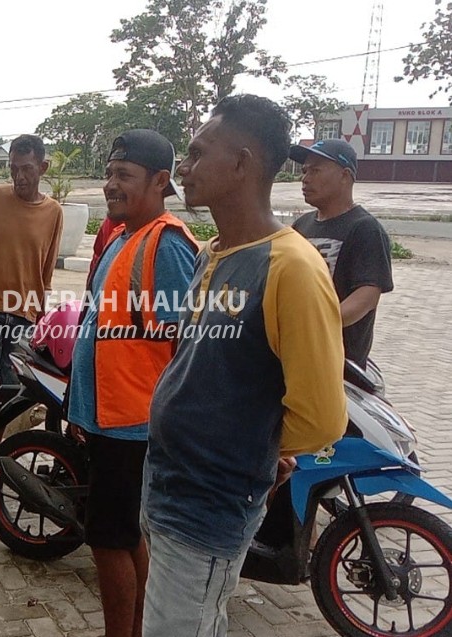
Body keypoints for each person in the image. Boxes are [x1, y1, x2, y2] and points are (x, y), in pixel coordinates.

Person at [140, 95, 347, 637]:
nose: (183, 168)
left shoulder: (291, 266)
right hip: (167, 483)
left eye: (196, 153)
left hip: (210, 502)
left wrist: (259, 448)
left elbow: (323, 417)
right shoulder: (214, 253)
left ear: (242, 162)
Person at [67, 130, 197, 637]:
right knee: (122, 535)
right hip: (110, 419)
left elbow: (189, 345)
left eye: (123, 176)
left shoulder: (167, 246)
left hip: (135, 424)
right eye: (107, 175)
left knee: (107, 539)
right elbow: (104, 332)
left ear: (160, 181)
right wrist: (82, 411)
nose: (109, 186)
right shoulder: (123, 237)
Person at [0, 134, 63, 476]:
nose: (19, 177)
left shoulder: (53, 212)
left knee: (10, 385)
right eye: (14, 169)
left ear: (43, 168)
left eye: (27, 169)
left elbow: (46, 267)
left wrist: (42, 310)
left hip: (26, 312)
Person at [288, 139, 394, 367]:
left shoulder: (364, 228)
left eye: (315, 170)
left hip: (338, 362)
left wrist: (317, 325)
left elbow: (366, 296)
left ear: (345, 176)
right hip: (295, 352)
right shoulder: (301, 226)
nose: (305, 178)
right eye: (304, 171)